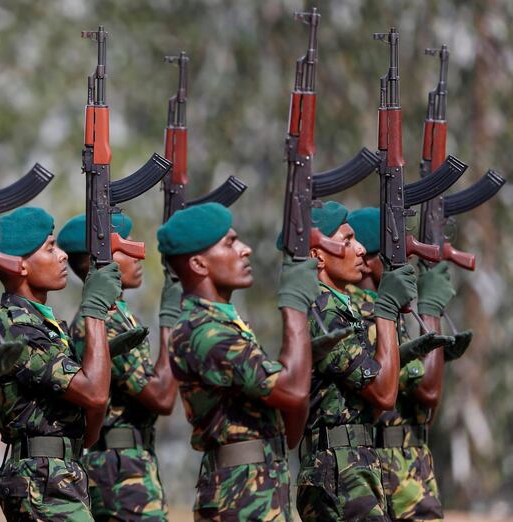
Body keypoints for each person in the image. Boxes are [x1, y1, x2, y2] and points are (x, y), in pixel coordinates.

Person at [158, 202, 320, 521]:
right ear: (199, 264)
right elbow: (292, 392)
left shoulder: (225, 325)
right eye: (230, 242)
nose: (245, 250)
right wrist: (294, 303)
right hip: (239, 496)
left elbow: (291, 425)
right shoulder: (204, 332)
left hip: (257, 487)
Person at [0, 207, 121, 521]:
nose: (62, 256)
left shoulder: (45, 326)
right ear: (19, 266)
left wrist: (103, 358)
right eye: (49, 248)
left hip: (60, 473)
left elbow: (90, 429)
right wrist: (95, 311)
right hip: (41, 481)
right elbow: (94, 393)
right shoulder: (14, 328)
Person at [295, 201, 418, 522]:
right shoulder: (323, 311)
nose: (361, 249)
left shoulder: (339, 307)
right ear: (317, 255)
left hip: (351, 461)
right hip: (337, 467)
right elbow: (384, 394)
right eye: (347, 240)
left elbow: (375, 402)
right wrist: (387, 310)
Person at [348, 207, 468, 521]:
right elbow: (427, 390)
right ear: (367, 263)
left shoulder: (387, 315)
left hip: (408, 461)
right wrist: (430, 310)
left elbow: (426, 408)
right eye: (394, 262)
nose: (406, 269)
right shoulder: (365, 315)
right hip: (390, 468)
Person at [57, 213, 177, 521]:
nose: (138, 254)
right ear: (100, 261)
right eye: (126, 247)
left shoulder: (116, 314)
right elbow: (162, 397)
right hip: (121, 470)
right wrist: (170, 323)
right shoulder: (105, 321)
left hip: (128, 463)